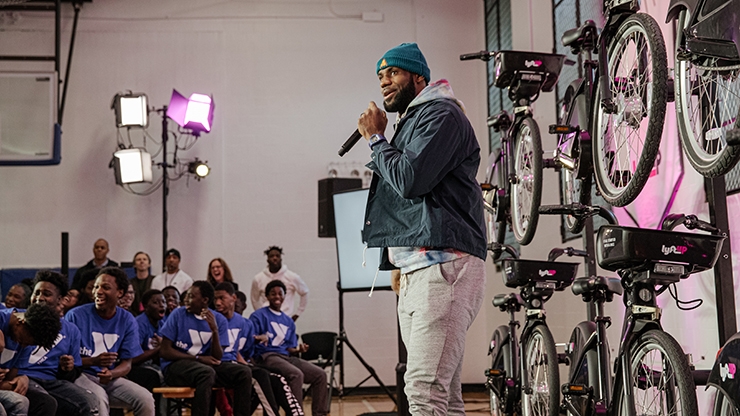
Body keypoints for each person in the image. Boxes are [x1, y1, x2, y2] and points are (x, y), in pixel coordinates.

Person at [356, 42, 487, 415]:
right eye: (380, 76)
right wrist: (397, 262)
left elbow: (411, 180)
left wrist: (376, 140)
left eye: (393, 73)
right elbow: (407, 202)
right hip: (419, 271)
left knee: (423, 391)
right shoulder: (413, 122)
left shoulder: (441, 115)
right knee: (443, 396)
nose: (384, 82)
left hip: (445, 265)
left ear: (418, 77)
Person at [65, 267, 155, 416]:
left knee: (145, 399)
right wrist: (93, 361)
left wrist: (112, 373)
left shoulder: (127, 319)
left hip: (107, 378)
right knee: (99, 398)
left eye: (105, 287)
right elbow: (66, 362)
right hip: (79, 375)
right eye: (96, 287)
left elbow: (127, 364)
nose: (98, 291)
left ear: (120, 292)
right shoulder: (75, 316)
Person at [159, 281, 252, 416]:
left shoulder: (219, 319)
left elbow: (217, 357)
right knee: (206, 372)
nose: (186, 299)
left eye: (191, 296)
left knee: (243, 372)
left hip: (204, 367)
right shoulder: (178, 314)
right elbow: (165, 351)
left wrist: (214, 330)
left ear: (205, 300)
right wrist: (198, 358)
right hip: (175, 368)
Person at [17, 270, 99, 416]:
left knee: (89, 402)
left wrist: (67, 368)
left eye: (46, 294)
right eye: (36, 293)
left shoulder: (71, 330)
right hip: (24, 377)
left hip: (53, 381)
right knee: (46, 402)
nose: (39, 298)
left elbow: (73, 373)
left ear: (60, 299)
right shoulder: (17, 319)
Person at [250, 280, 327, 416]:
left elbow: (289, 348)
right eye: (273, 294)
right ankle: (296, 414)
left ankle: (319, 413)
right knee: (296, 374)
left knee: (320, 375)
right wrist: (259, 338)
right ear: (267, 297)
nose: (277, 296)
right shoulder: (258, 315)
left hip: (286, 357)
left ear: (285, 296)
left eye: (280, 293)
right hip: (268, 356)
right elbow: (250, 338)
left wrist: (299, 350)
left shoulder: (288, 321)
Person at [0, 302, 62, 416]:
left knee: (47, 403)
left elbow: (10, 378)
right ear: (21, 322)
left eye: (29, 344)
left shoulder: (27, 341)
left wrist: (21, 379)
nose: (23, 346)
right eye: (22, 340)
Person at [129, 289, 167, 416]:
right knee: (158, 376)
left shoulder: (163, 322)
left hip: (152, 364)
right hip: (133, 367)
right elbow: (132, 358)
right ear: (145, 307)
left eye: (163, 302)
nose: (161, 305)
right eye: (156, 302)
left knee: (170, 372)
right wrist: (159, 349)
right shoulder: (139, 323)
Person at [251, 246, 308, 321]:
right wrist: (261, 314)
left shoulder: (292, 277)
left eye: (277, 256)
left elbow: (305, 292)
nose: (275, 258)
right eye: (271, 256)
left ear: (281, 259)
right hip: (267, 319)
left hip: (285, 317)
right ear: (267, 259)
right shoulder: (258, 278)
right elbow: (254, 299)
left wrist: (298, 313)